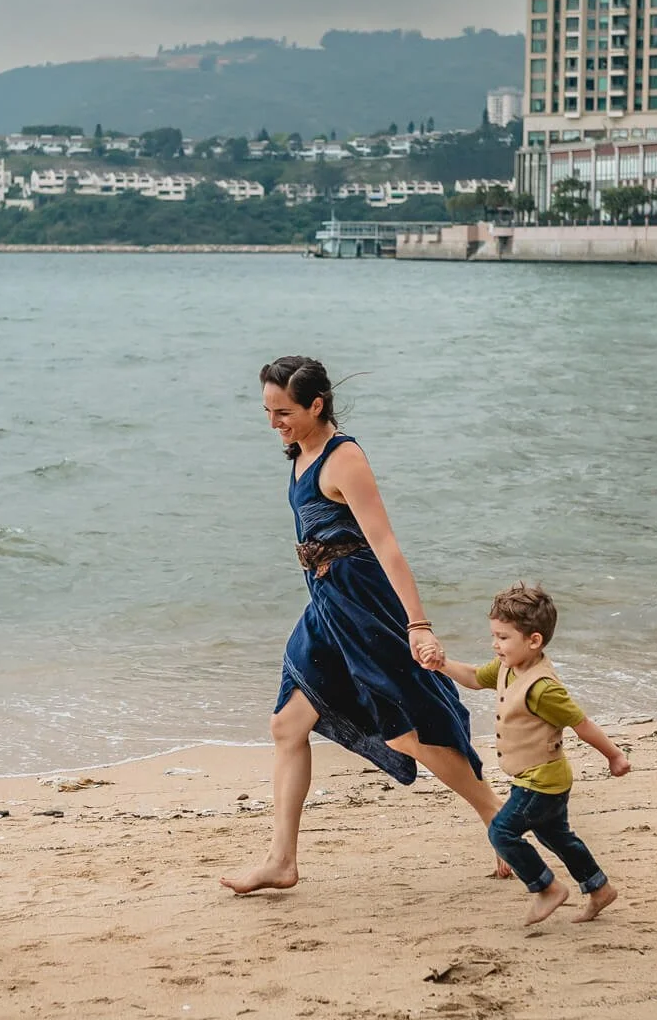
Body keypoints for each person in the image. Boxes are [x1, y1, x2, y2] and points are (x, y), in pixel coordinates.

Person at [221, 357, 505, 895]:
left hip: (362, 608)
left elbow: (386, 544)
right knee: (287, 726)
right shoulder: (301, 453)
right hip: (326, 609)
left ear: (316, 405)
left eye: (283, 411)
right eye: (267, 411)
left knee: (406, 729)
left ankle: (498, 816)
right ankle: (281, 860)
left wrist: (417, 624)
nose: (273, 421)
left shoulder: (342, 457)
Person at [431, 583, 628, 925]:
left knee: (501, 833)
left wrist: (614, 756)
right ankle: (599, 888)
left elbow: (581, 723)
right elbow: (476, 678)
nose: (496, 644)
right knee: (558, 838)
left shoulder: (543, 688)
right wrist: (442, 664)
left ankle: (547, 888)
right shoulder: (508, 667)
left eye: (503, 637)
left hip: (542, 781)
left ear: (533, 641)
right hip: (536, 779)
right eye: (494, 635)